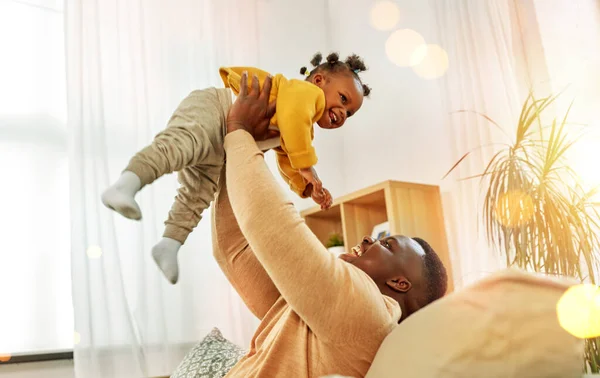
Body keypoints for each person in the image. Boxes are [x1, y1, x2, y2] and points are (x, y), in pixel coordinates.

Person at [214, 72, 448, 377]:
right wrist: (246, 144)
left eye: (387, 244)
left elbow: (270, 225)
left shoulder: (369, 312)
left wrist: (239, 132)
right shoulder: (323, 311)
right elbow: (234, 250)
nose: (368, 239)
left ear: (399, 284)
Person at [100, 52, 371, 284]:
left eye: (350, 113)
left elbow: (288, 159)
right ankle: (125, 185)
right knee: (180, 146)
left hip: (226, 139)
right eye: (344, 100)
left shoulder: (302, 130)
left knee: (199, 192)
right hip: (216, 108)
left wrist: (307, 185)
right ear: (319, 81)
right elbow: (295, 125)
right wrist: (308, 166)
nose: (343, 114)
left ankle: (170, 243)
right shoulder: (304, 95)